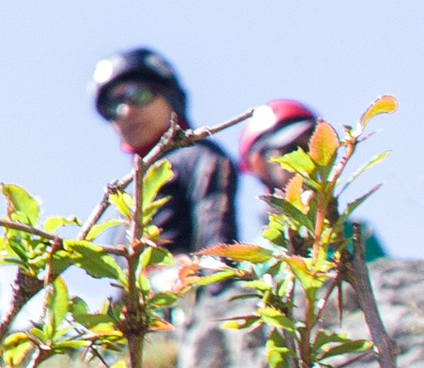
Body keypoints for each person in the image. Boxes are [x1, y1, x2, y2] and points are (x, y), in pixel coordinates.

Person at [91, 48, 239, 258]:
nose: (126, 111)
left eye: (138, 94)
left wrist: (210, 275)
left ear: (170, 96)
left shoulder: (197, 157)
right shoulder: (128, 196)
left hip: (184, 277)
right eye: (112, 106)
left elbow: (217, 243)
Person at [239, 101, 389, 263]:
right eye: (293, 149)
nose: (308, 159)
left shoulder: (357, 235)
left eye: (312, 148)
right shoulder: (255, 262)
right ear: (258, 164)